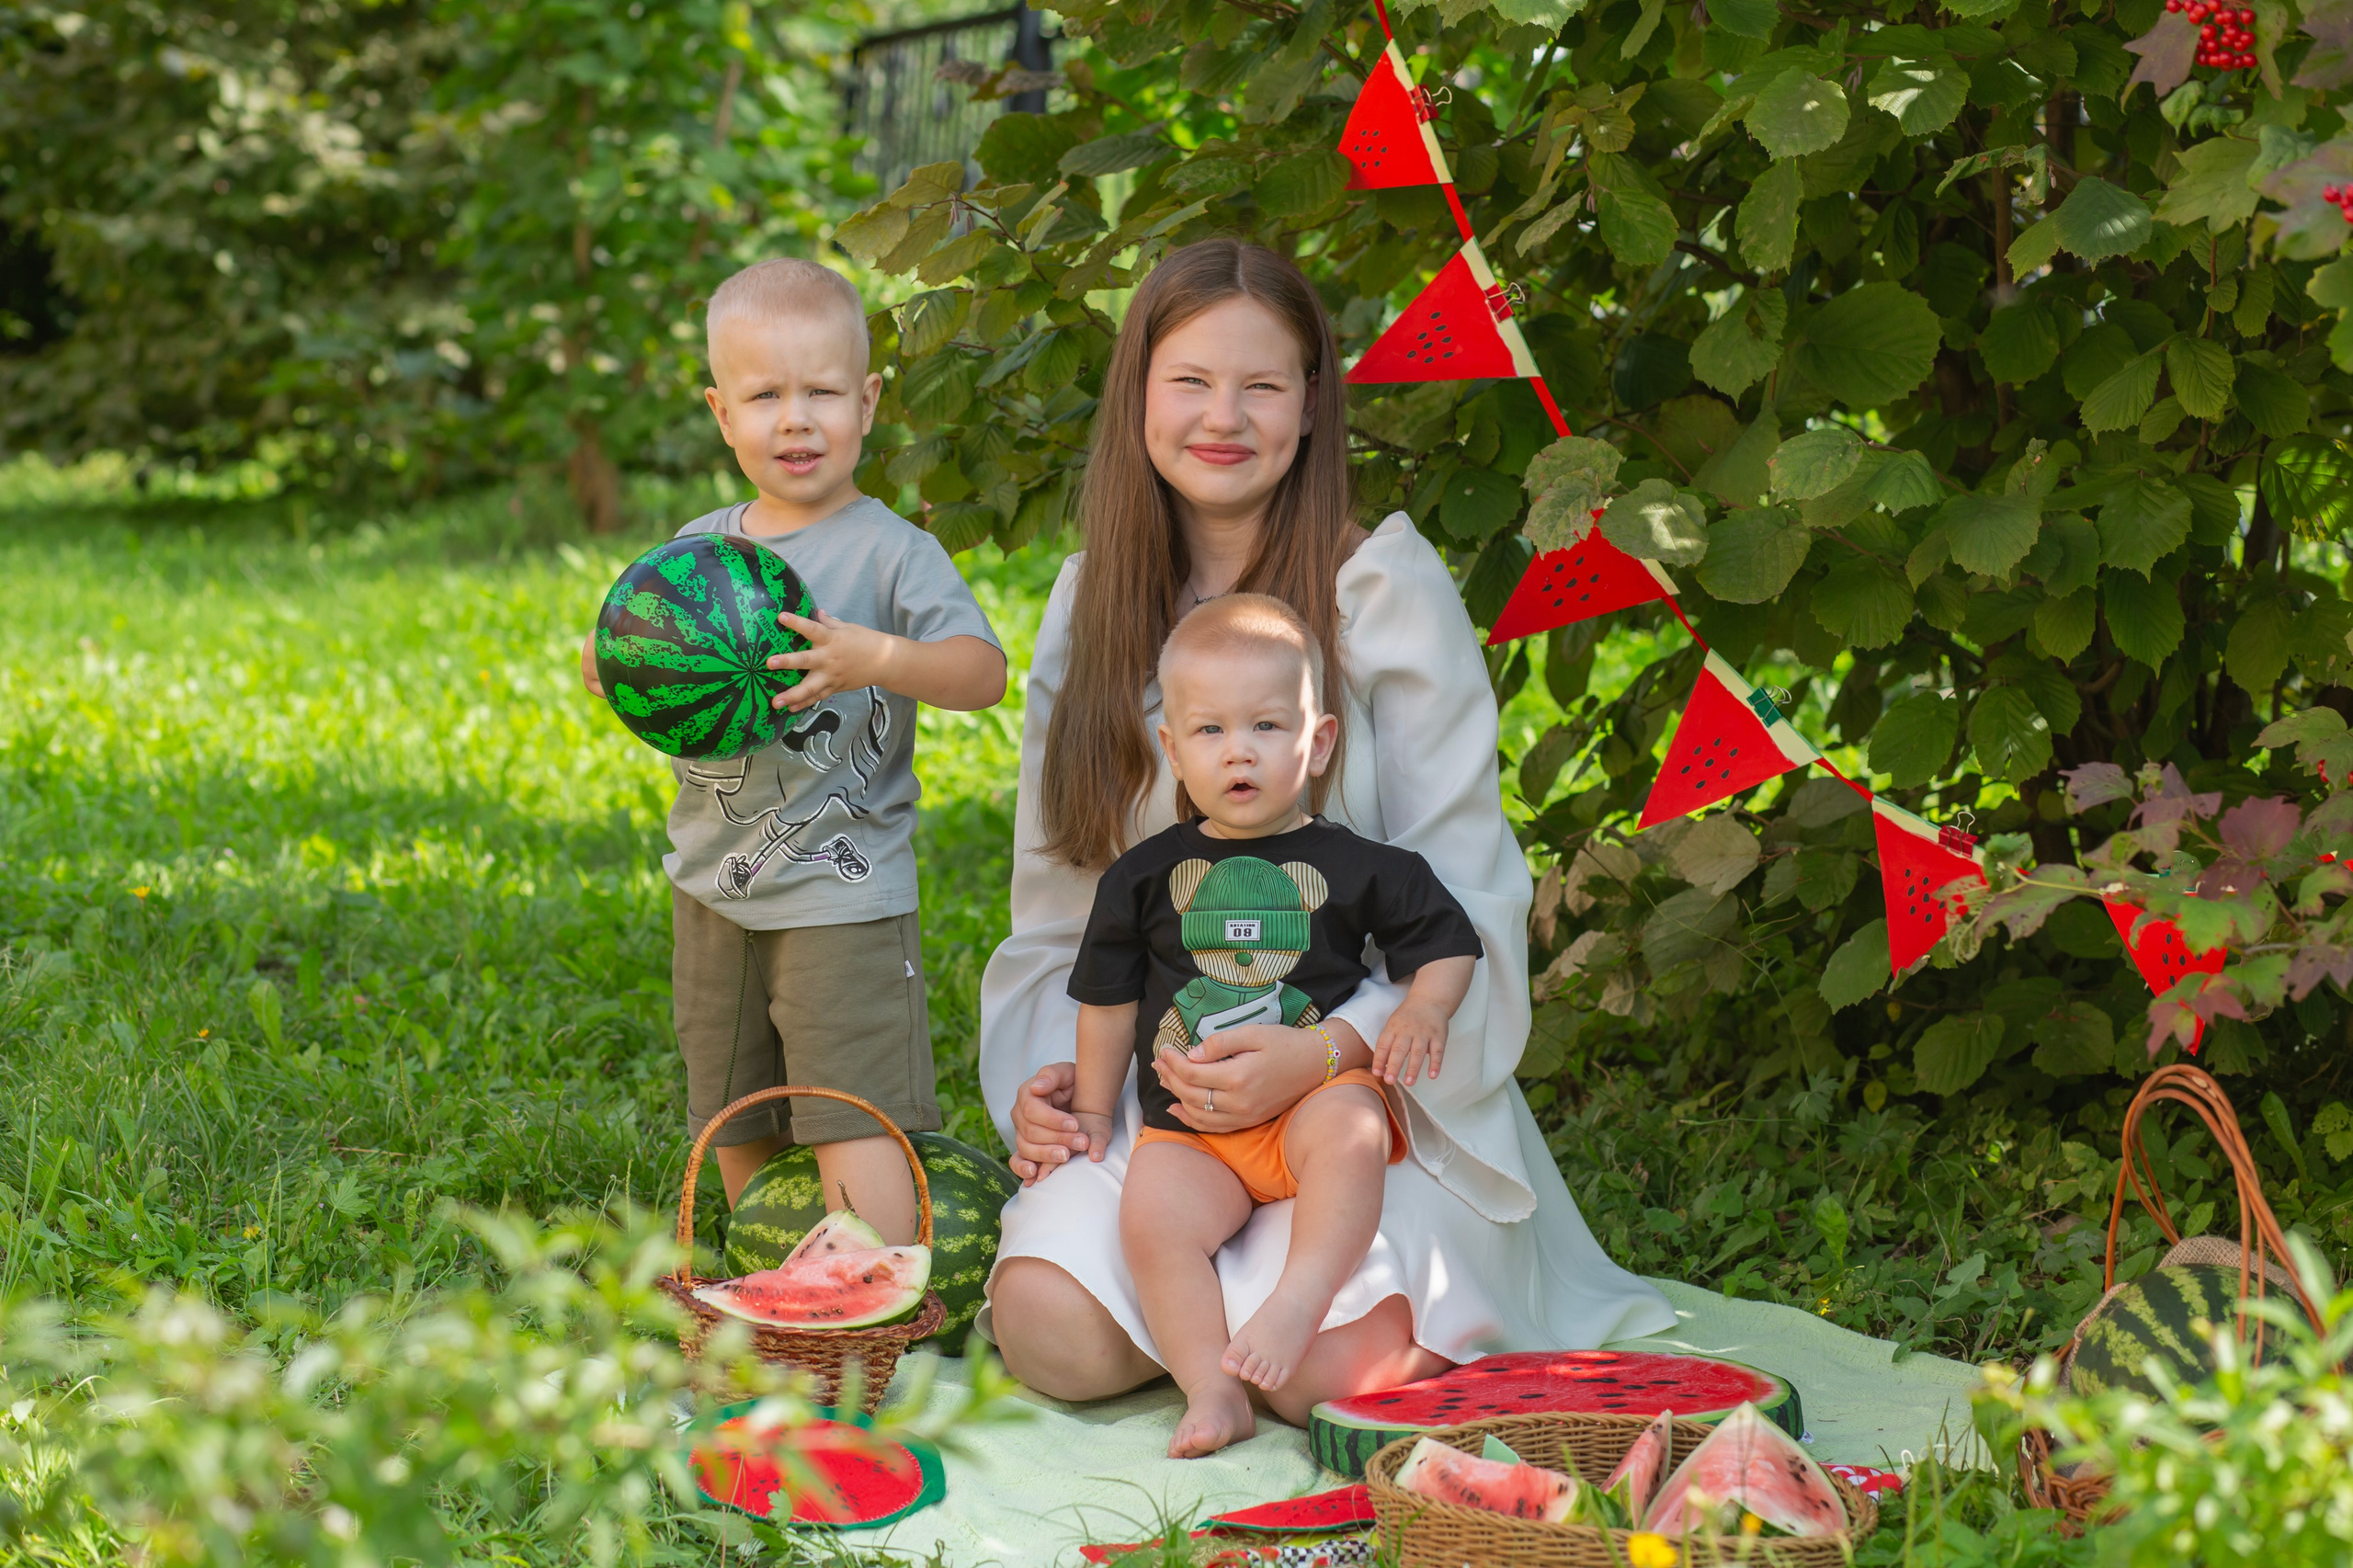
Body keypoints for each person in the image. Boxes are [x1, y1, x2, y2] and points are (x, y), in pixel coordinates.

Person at [977, 238, 1677, 1435]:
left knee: (1330, 1377)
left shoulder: (1383, 590)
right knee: (1051, 1332)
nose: (1224, 416)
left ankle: (1273, 1315)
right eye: (1190, 380)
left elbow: (1465, 892)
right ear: (1138, 391)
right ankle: (1189, 1308)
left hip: (1363, 1103)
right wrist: (1054, 1087)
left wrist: (1332, 1052)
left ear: (1311, 405)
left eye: (1263, 384)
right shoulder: (1091, 601)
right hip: (1173, 1095)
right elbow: (1057, 912)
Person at [581, 257, 1006, 1235]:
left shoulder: (890, 550)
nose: (795, 419)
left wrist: (881, 655)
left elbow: (979, 674)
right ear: (721, 413)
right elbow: (625, 651)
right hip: (711, 883)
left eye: (821, 392)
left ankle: (878, 1283)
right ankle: (772, 1278)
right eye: (764, 395)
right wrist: (614, 663)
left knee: (847, 1103)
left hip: (841, 892)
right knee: (734, 1104)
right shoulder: (699, 550)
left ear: (867, 401)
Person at [1063, 593, 1483, 1456]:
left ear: (1317, 741)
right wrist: (1096, 1116)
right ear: (1172, 749)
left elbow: (1447, 940)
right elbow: (1105, 1002)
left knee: (1356, 1126)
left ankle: (1299, 1301)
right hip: (1194, 1128)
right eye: (1210, 732)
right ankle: (1211, 1388)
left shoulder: (1362, 866)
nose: (1239, 750)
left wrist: (1427, 1004)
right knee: (1153, 1222)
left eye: (1264, 725)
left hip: (1304, 1107)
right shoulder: (1143, 878)